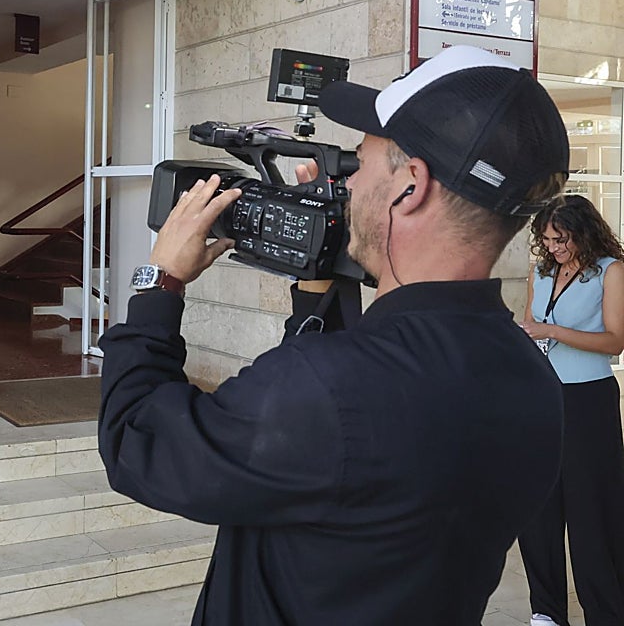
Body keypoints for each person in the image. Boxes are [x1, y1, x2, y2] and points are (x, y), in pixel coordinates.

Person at [98, 45, 571, 624]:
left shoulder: (328, 387)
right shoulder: (535, 381)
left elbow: (136, 443)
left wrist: (159, 282)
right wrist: (321, 285)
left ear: (409, 186)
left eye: (359, 162)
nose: (345, 184)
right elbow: (346, 455)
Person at [519, 194, 624, 626]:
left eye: (561, 239)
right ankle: (545, 611)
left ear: (583, 231)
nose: (555, 248)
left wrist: (551, 330)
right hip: (539, 400)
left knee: (591, 513)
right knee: (537, 508)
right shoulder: (539, 273)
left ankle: (606, 612)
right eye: (548, 240)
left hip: (588, 400)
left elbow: (615, 341)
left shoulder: (611, 272)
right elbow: (529, 330)